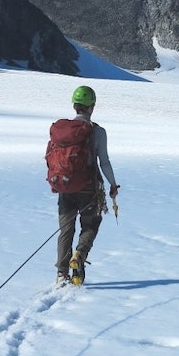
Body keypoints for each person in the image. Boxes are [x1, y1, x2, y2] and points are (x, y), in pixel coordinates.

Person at [55, 85, 119, 285]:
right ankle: (79, 255)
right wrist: (113, 184)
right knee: (90, 224)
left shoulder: (62, 131)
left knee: (66, 229)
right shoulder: (97, 131)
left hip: (65, 186)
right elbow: (104, 162)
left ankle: (61, 273)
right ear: (91, 107)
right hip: (89, 188)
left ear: (75, 106)